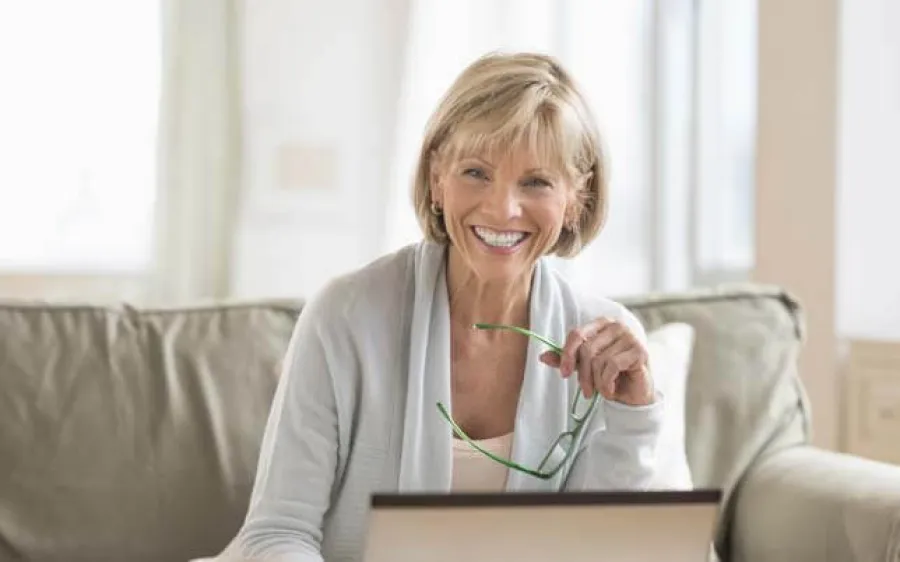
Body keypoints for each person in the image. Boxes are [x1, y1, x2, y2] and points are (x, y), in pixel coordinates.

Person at [224, 51, 663, 562]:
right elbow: (277, 532)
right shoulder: (343, 317)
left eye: (536, 182)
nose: (503, 208)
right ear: (437, 178)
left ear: (576, 199)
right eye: (476, 172)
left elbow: (600, 549)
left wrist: (635, 415)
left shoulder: (601, 343)